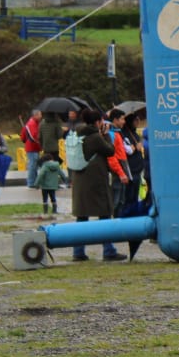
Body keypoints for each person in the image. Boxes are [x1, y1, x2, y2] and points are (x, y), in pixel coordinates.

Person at [68, 108, 128, 261]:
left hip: (80, 180)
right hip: (96, 181)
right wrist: (106, 135)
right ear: (97, 122)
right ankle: (109, 250)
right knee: (105, 215)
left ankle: (78, 252)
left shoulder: (76, 134)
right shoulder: (95, 137)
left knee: (82, 217)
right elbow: (110, 150)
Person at [20, 109, 42, 188]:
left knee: (34, 165)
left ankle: (34, 182)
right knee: (32, 165)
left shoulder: (33, 123)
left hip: (33, 147)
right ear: (35, 115)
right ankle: (31, 182)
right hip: (32, 147)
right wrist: (40, 142)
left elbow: (24, 138)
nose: (41, 116)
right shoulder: (32, 123)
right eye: (40, 114)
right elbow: (34, 136)